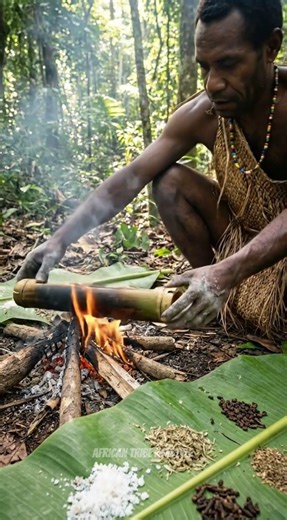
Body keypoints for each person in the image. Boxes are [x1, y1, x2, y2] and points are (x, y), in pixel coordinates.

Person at [17, 0, 287, 338]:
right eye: (204, 67)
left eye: (228, 65)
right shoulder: (204, 114)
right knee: (170, 181)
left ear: (270, 47)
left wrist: (228, 272)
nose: (212, 84)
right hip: (242, 243)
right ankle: (215, 301)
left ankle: (221, 285)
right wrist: (60, 239)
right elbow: (131, 178)